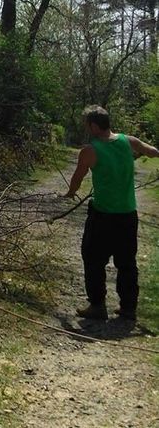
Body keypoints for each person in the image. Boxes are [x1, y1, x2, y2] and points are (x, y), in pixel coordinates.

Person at [64, 104, 159, 321]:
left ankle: (97, 305)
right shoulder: (129, 141)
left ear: (95, 126)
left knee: (93, 258)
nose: (87, 128)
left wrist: (70, 193)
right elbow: (152, 151)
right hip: (128, 214)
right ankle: (128, 308)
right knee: (127, 262)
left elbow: (77, 178)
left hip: (103, 215)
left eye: (88, 125)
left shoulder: (90, 151)